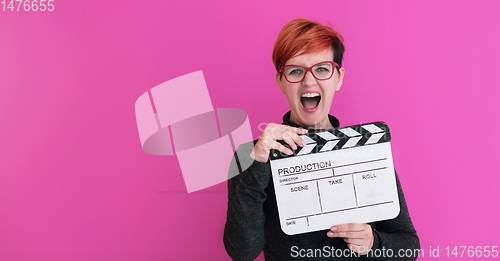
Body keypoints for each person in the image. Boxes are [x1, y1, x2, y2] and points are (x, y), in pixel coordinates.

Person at [223, 18, 419, 260]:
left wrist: (373, 241)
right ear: (281, 82)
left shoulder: (367, 149)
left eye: (322, 69)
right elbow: (242, 252)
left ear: (339, 78)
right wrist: (258, 165)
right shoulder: (248, 156)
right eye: (295, 71)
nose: (308, 81)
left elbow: (409, 245)